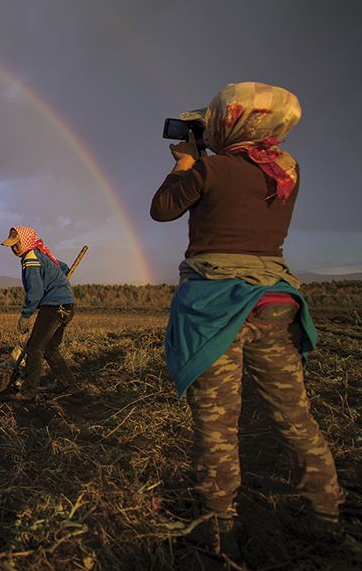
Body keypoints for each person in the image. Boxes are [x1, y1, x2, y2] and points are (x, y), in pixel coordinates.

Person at [150, 82, 343, 557]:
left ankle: (219, 532)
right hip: (275, 301)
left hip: (215, 306)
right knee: (295, 417)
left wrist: (185, 160)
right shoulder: (287, 170)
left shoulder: (210, 170)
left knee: (217, 426)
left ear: (230, 123)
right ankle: (326, 519)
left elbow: (162, 210)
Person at [0, 226, 83, 402]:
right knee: (50, 349)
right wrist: (59, 280)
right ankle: (72, 388)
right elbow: (63, 266)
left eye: (17, 244)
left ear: (26, 241)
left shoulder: (30, 259)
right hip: (67, 306)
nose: (14, 249)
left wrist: (26, 314)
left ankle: (28, 393)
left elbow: (36, 291)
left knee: (34, 348)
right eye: (11, 246)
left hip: (53, 306)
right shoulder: (42, 254)